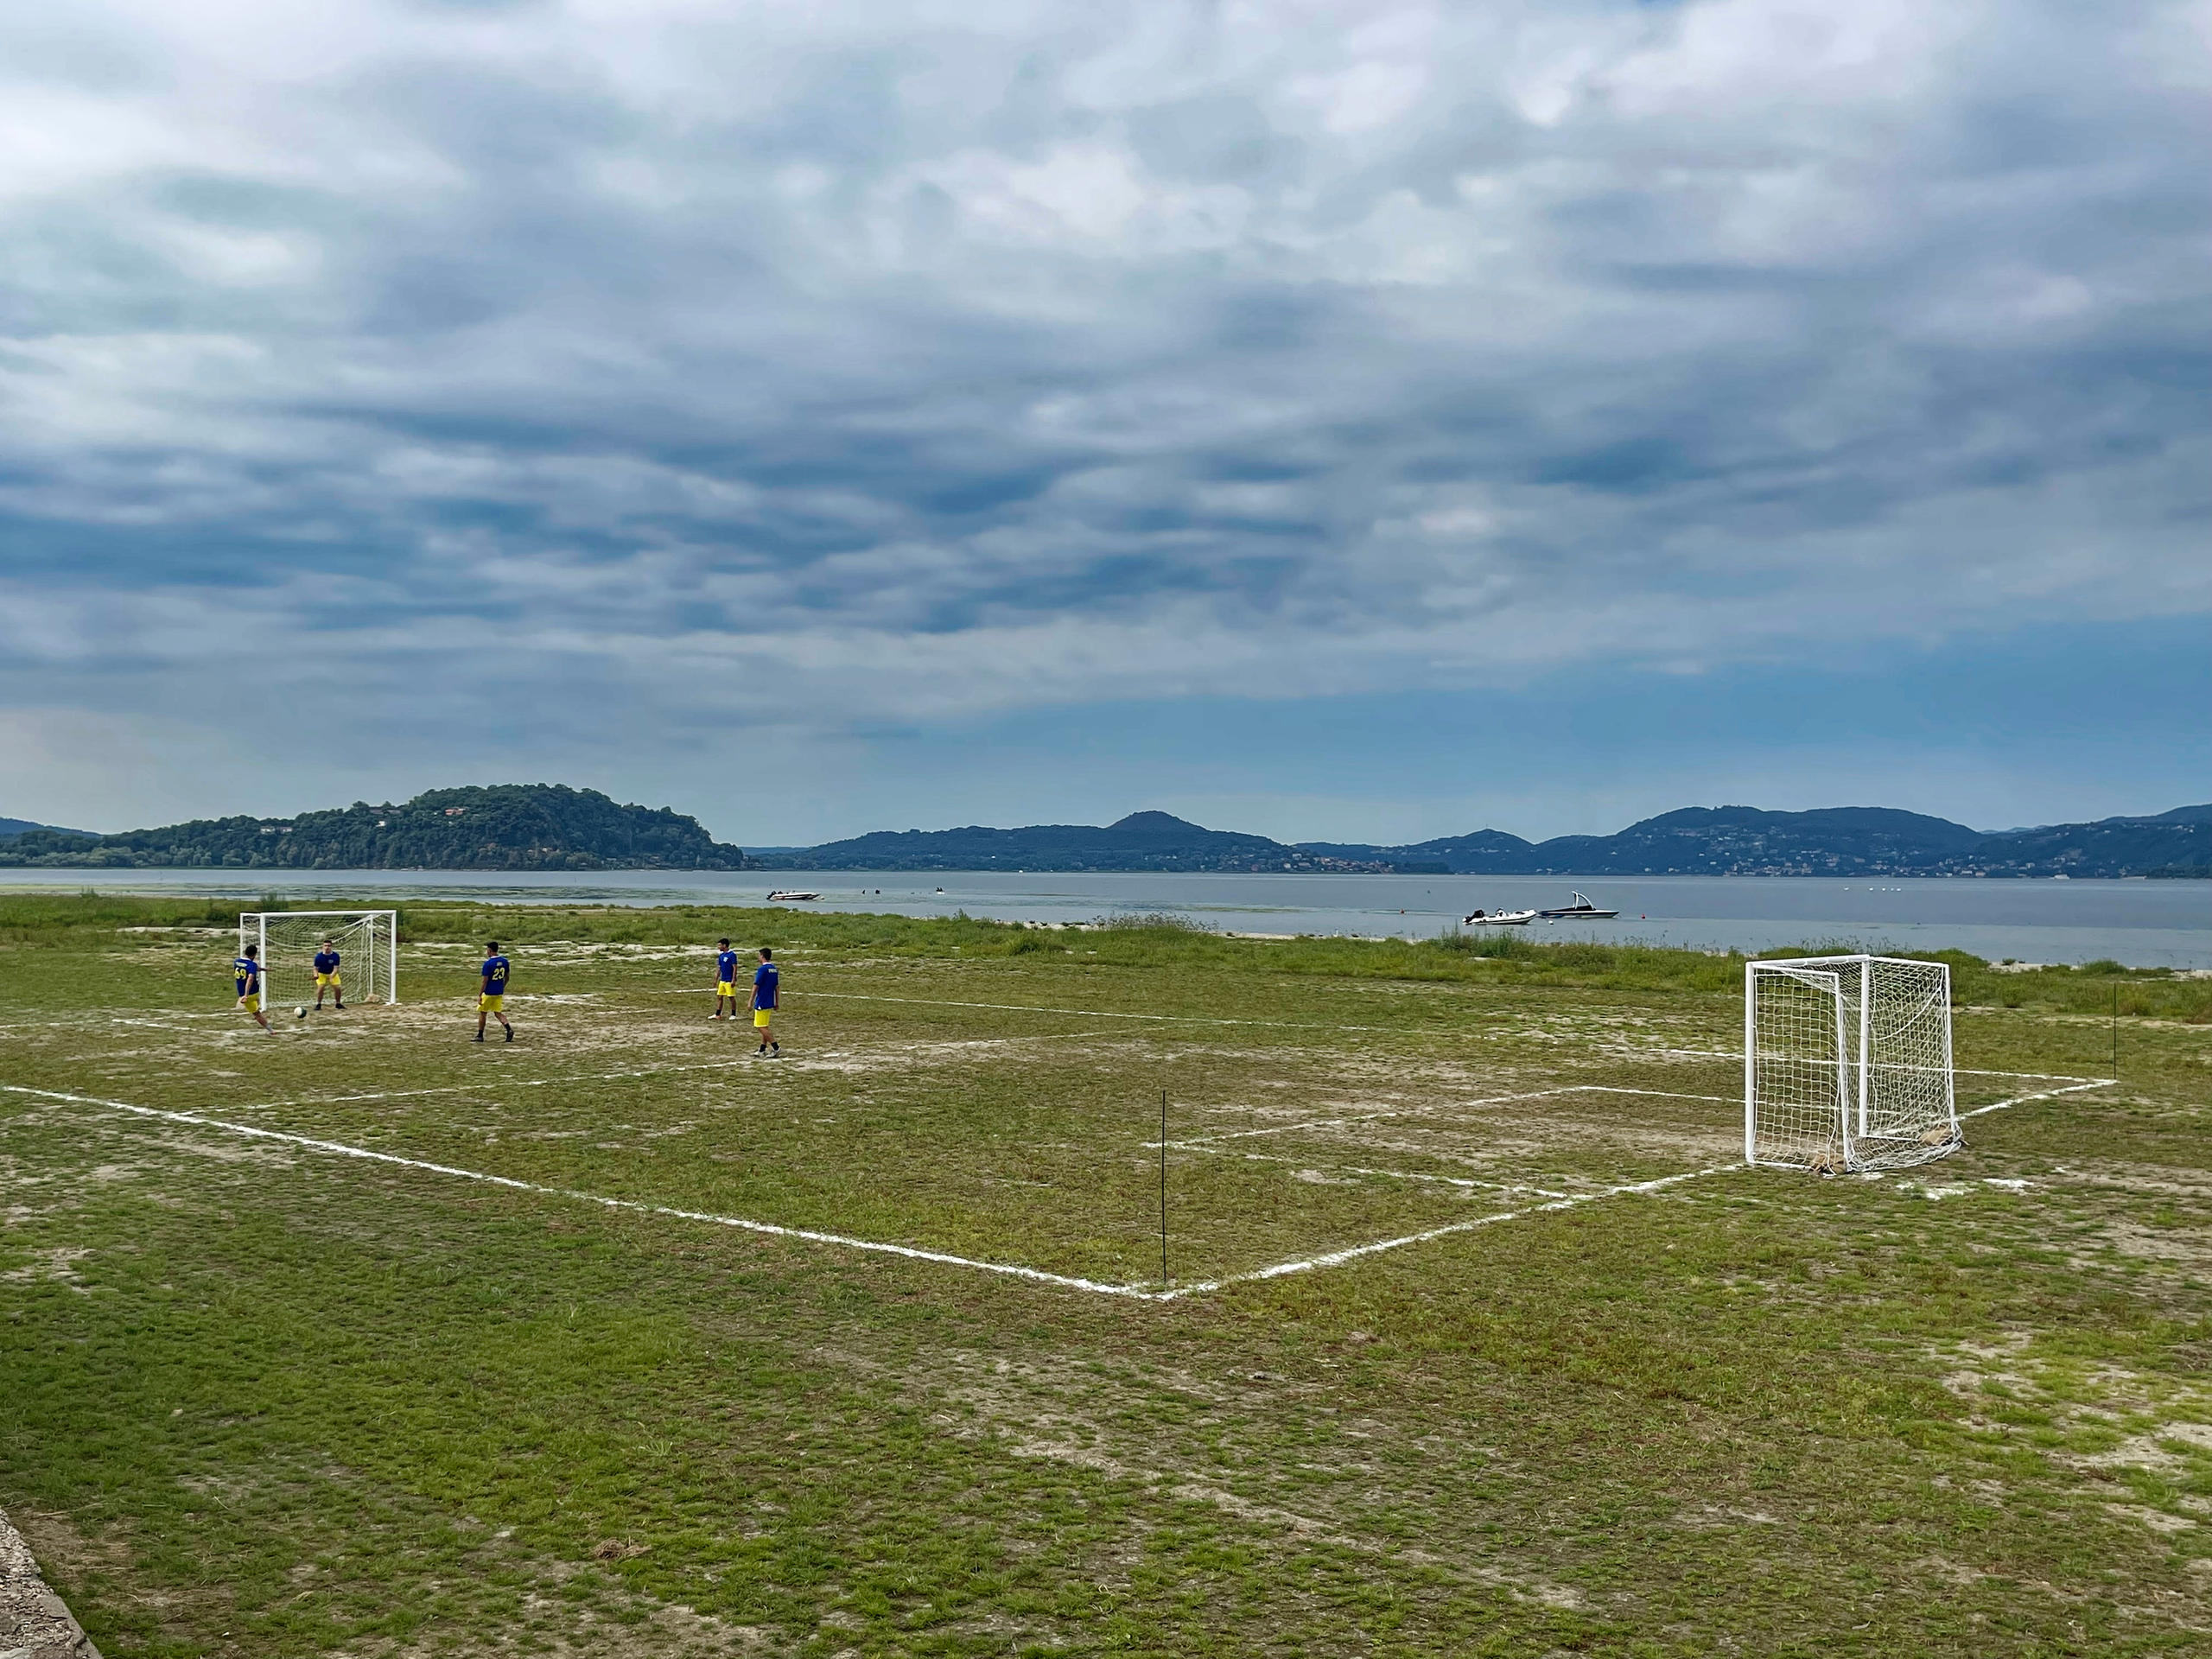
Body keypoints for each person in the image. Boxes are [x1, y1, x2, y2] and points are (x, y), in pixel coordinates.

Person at [475, 941, 513, 1043]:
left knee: (483, 1013)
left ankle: (480, 1035)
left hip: (488, 992)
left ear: (490, 950)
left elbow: (485, 981)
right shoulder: (505, 962)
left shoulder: (488, 964)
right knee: (498, 1013)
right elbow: (507, 977)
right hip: (498, 992)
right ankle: (509, 1029)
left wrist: (480, 994)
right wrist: (502, 986)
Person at [234, 943, 273, 1033]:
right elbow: (252, 974)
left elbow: (250, 975)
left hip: (246, 994)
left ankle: (271, 1030)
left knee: (257, 1014)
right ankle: (259, 1014)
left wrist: (245, 995)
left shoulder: (236, 962)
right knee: (256, 1007)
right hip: (255, 992)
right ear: (254, 954)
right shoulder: (252, 965)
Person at [749, 946, 779, 1056]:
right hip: (770, 1000)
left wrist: (750, 1001)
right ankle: (762, 1049)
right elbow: (777, 987)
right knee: (764, 1026)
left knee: (759, 1026)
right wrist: (777, 1001)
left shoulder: (762, 969)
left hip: (762, 1001)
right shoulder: (774, 969)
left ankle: (776, 1047)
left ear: (762, 956)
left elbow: (756, 986)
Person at [711, 937, 740, 1020]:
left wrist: (733, 979)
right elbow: (719, 968)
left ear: (724, 945)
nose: (718, 947)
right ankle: (718, 1014)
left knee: (731, 997)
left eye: (720, 945)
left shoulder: (732, 955)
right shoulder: (721, 956)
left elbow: (735, 967)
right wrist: (716, 979)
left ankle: (733, 1014)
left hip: (729, 979)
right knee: (719, 996)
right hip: (722, 980)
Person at [312, 938, 344, 1011]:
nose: (327, 947)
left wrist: (331, 976)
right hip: (321, 974)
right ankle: (318, 1004)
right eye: (325, 946)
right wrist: (316, 975)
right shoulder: (318, 957)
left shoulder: (336, 956)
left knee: (337, 988)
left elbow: (336, 968)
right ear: (323, 947)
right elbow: (315, 968)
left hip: (332, 973)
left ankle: (338, 1004)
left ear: (331, 947)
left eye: (329, 946)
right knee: (321, 987)